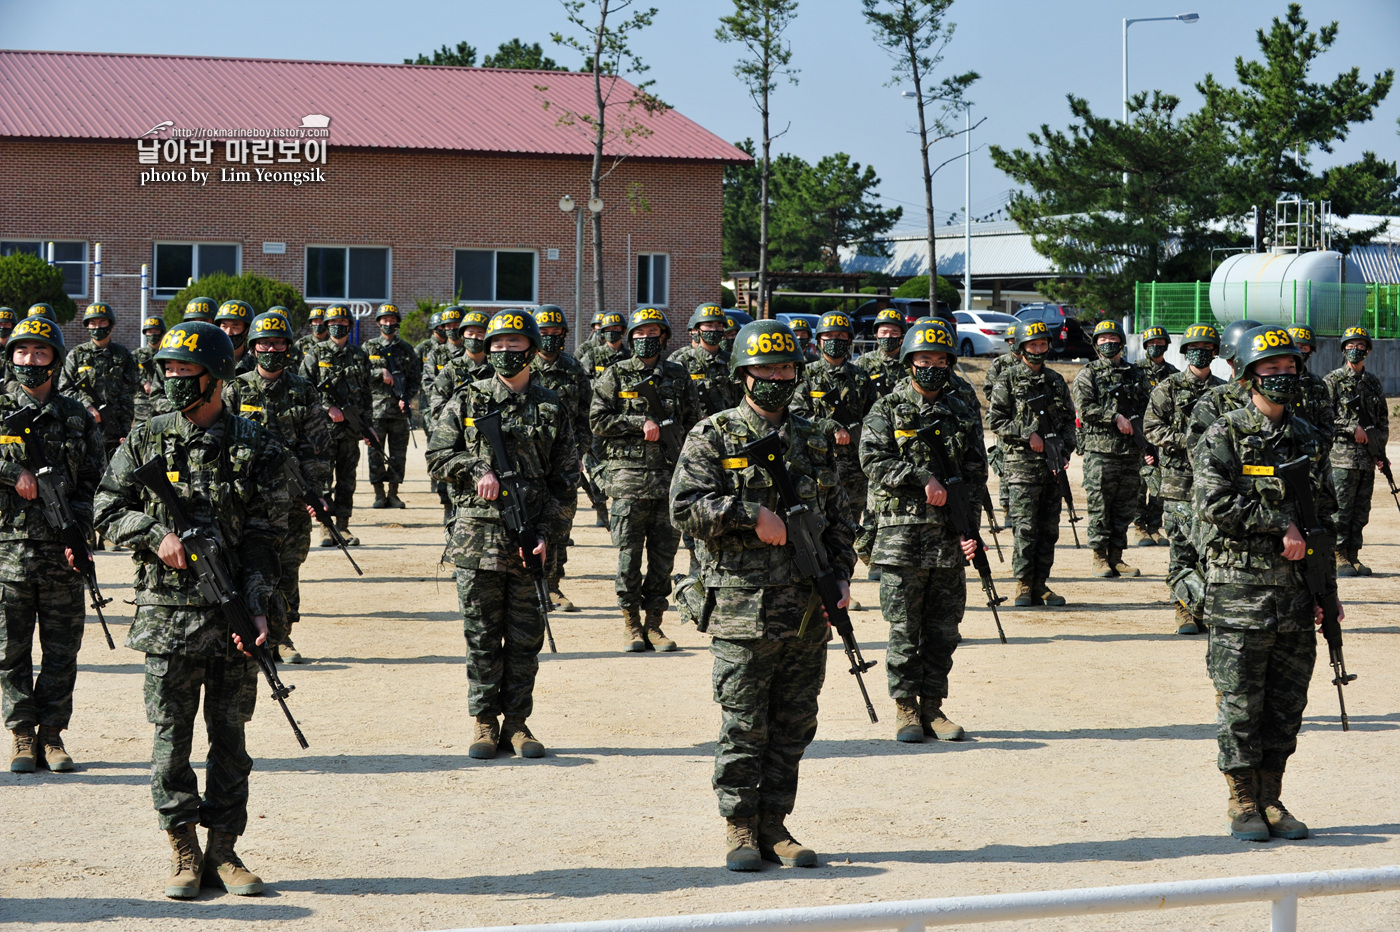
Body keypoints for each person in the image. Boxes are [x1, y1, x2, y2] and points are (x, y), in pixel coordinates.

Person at [94, 320, 287, 898]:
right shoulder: (146, 438)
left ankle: (225, 851)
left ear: (217, 375)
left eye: (187, 371)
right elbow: (105, 507)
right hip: (166, 617)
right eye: (169, 371)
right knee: (170, 738)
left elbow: (266, 535)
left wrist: (256, 610)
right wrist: (154, 535)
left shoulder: (257, 443)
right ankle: (183, 848)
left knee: (230, 739)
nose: (175, 380)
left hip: (232, 619)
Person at [670, 318, 854, 872]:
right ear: (742, 374)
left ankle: (776, 824)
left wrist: (841, 576)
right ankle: (740, 826)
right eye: (764, 369)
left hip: (806, 607)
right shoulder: (714, 435)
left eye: (784, 367)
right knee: (743, 722)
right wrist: (750, 515)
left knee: (794, 722)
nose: (776, 377)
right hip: (741, 607)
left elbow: (842, 516)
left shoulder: (816, 436)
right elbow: (685, 507)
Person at [1192, 325, 1338, 843]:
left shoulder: (1308, 437)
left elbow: (1324, 520)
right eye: (1271, 369)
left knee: (1285, 705)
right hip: (1240, 593)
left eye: (1289, 368)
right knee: (1240, 702)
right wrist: (1279, 524)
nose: (1282, 376)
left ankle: (1273, 796)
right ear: (1250, 375)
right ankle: (1243, 800)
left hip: (1296, 595)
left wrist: (1328, 591)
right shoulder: (1224, 433)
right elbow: (1214, 505)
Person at [426, 309, 576, 760]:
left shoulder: (551, 406)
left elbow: (565, 480)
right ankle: (485, 722)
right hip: (476, 539)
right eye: (497, 346)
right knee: (482, 636)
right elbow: (437, 457)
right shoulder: (467, 401)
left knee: (526, 637)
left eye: (514, 345)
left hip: (530, 540)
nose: (505, 353)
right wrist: (475, 469)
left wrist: (549, 533)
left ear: (531, 349)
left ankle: (517, 724)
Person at [859, 318, 984, 743]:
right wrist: (918, 477)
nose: (932, 366)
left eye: (940, 360)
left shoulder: (962, 410)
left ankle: (933, 705)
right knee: (903, 627)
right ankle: (905, 707)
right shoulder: (887, 408)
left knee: (943, 629)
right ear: (910, 362)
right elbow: (872, 460)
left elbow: (975, 473)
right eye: (924, 359)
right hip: (901, 537)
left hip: (948, 537)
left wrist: (971, 530)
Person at [1, 317, 105, 774]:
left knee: (62, 650)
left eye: (40, 353)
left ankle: (52, 735)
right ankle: (22, 732)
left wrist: (78, 532)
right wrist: (12, 473)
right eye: (22, 353)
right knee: (10, 650)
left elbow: (96, 485)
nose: (30, 361)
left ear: (55, 360)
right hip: (8, 553)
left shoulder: (77, 416)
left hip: (62, 554)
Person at [222, 312, 332, 665]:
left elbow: (317, 448)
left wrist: (312, 491)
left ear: (288, 348)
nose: (271, 348)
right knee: (250, 569)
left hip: (292, 504)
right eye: (264, 343)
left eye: (278, 343)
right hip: (248, 503)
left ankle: (283, 638)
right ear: (253, 348)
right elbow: (220, 443)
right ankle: (252, 637)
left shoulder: (303, 391)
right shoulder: (235, 389)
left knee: (287, 571)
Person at [589, 307, 699, 652]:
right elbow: (596, 420)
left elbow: (695, 425)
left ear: (664, 338)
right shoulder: (615, 375)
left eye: (652, 334)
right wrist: (639, 424)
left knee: (663, 559)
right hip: (628, 483)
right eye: (639, 334)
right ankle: (631, 625)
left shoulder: (679, 377)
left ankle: (654, 625)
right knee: (629, 559)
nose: (645, 340)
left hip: (670, 482)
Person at [987, 320, 1076, 607]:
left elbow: (1068, 422)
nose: (1038, 349)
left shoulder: (1055, 380)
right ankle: (1023, 584)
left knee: (1049, 529)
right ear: (1021, 347)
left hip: (1052, 467)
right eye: (1032, 345)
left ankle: (1041, 584)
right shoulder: (1008, 379)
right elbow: (996, 420)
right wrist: (1028, 434)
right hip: (1021, 467)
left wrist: (1063, 450)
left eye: (1042, 344)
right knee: (1025, 528)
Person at [1144, 323, 1224, 635]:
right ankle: (1184, 610)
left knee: (1210, 547)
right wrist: (1189, 440)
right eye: (1193, 349)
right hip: (1178, 482)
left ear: (1215, 353)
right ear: (1184, 352)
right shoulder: (1168, 388)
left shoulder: (1221, 391)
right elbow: (1151, 427)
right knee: (1181, 546)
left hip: (1213, 483)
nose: (1199, 353)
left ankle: (1204, 606)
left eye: (1205, 349)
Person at [1071, 320, 1153, 579]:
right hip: (1100, 453)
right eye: (1102, 339)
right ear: (1096, 344)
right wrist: (1114, 417)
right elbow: (1084, 409)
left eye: (1112, 338)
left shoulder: (1136, 373)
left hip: (1130, 452)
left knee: (1125, 507)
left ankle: (1116, 556)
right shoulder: (1089, 374)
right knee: (1100, 506)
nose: (1108, 343)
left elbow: (1149, 407)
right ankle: (1099, 557)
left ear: (1122, 342)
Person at [790, 311, 877, 533]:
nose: (835, 340)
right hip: (815, 462)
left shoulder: (860, 377)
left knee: (848, 527)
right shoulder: (806, 375)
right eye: (829, 336)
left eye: (841, 335)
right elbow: (797, 413)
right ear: (819, 340)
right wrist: (832, 427)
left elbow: (873, 415)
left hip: (853, 466)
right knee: (815, 525)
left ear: (849, 340)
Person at [529, 304, 590, 613]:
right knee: (527, 521)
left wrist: (579, 452)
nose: (550, 339)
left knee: (560, 526)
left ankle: (553, 586)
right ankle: (530, 588)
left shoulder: (574, 368)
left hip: (563, 461)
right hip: (529, 459)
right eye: (544, 333)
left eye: (556, 333)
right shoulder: (522, 365)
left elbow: (585, 417)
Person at [300, 304, 373, 546]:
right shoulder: (315, 354)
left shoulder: (360, 355)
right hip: (322, 431)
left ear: (350, 326)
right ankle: (325, 526)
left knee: (347, 479)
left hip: (350, 431)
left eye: (342, 324)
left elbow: (367, 394)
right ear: (326, 325)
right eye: (333, 324)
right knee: (323, 478)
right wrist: (326, 407)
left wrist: (367, 426)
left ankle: (344, 526)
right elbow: (304, 390)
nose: (337, 327)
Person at [1325, 325, 1388, 577]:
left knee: (1362, 509)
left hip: (1366, 460)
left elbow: (1382, 420)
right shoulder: (1332, 381)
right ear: (1343, 349)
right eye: (1350, 345)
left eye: (1360, 345)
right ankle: (1338, 555)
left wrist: (1379, 450)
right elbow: (1325, 417)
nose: (1355, 349)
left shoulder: (1372, 383)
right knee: (1341, 508)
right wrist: (1352, 427)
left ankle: (1353, 554)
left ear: (1368, 351)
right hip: (1342, 458)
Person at [59, 302, 139, 465]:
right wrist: (87, 405)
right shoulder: (77, 355)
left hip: (113, 430)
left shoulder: (123, 355)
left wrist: (124, 429)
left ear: (111, 325)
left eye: (102, 322)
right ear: (87, 326)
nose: (97, 327)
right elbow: (64, 388)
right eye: (93, 323)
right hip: (82, 426)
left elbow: (128, 395)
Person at [363, 303, 420, 509]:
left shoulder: (406, 349)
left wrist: (407, 397)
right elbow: (359, 376)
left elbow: (415, 378)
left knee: (398, 454)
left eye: (392, 320)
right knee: (375, 453)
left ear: (397, 322)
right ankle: (378, 494)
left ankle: (393, 493)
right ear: (378, 322)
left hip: (399, 411)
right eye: (384, 320)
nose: (388, 323)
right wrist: (380, 373)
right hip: (375, 411)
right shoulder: (368, 348)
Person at [578, 311, 631, 528]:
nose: (611, 334)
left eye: (616, 330)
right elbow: (582, 385)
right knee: (595, 466)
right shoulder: (592, 355)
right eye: (607, 330)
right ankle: (601, 510)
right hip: (597, 420)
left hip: (621, 421)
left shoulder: (629, 357)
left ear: (623, 332)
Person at [1132, 325, 1178, 546]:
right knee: (1142, 482)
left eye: (1160, 343)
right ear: (1145, 346)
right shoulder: (1134, 371)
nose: (1156, 346)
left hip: (1164, 436)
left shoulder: (1173, 374)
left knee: (1161, 484)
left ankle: (1154, 526)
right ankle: (1139, 527)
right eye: (1151, 343)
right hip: (1140, 435)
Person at [430, 310, 494, 421]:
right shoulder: (451, 369)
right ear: (462, 336)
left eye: (480, 333)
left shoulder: (496, 369)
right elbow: (437, 407)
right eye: (470, 333)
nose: (474, 337)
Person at [1285, 325, 1335, 461]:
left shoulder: (1317, 383)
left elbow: (1327, 421)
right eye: (1295, 346)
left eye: (1304, 347)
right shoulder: (1276, 381)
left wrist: (1321, 450)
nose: (1299, 351)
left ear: (1310, 350)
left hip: (1313, 456)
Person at [132, 314, 168, 432]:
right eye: (149, 331)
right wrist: (143, 381)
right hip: (142, 405)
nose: (152, 334)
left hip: (164, 403)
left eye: (156, 331)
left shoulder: (168, 355)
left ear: (162, 332)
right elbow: (129, 374)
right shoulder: (137, 355)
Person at [214, 300, 255, 375]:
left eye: (235, 327)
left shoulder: (255, 364)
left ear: (247, 330)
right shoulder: (208, 358)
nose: (228, 333)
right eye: (224, 326)